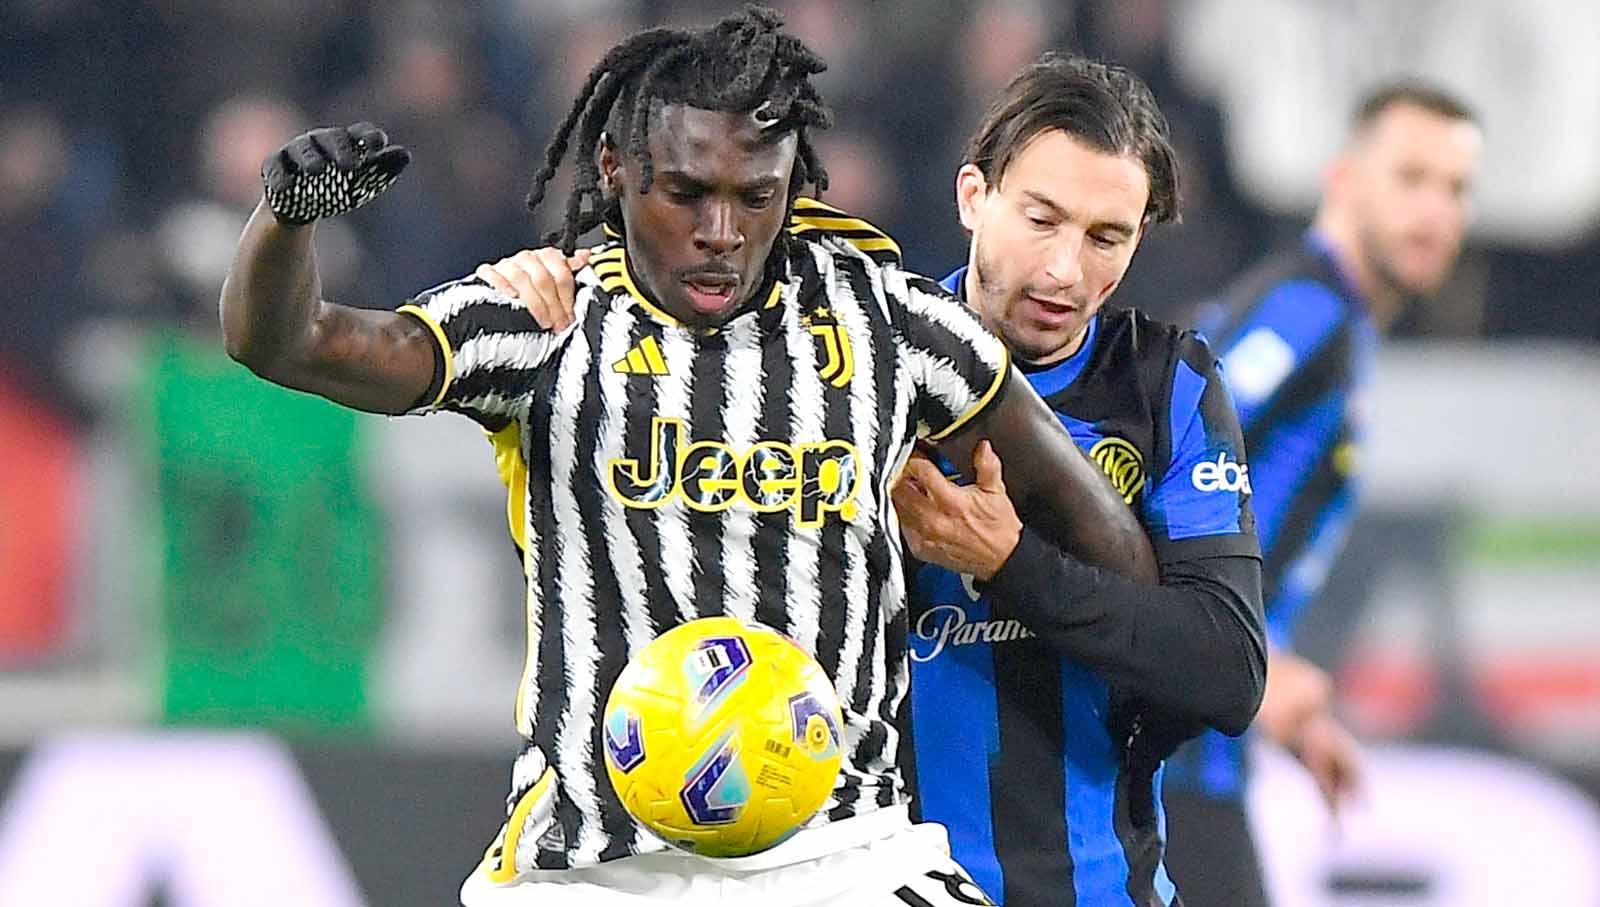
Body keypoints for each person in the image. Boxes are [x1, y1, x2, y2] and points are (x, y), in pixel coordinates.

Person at [219, 9, 1158, 906]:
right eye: (688, 193)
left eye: (757, 196)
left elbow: (1106, 540)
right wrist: (285, 222)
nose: (722, 231)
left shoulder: (892, 325)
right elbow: (292, 342)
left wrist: (1026, 574)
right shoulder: (550, 317)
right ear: (616, 168)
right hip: (594, 864)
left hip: (842, 858)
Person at [489, 51, 1268, 907]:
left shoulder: (1165, 385)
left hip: (1098, 888)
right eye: (1041, 220)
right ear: (974, 195)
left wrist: (1009, 563)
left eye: (1104, 237)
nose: (1063, 270)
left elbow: (1224, 674)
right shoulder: (848, 360)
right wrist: (555, 280)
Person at [1160, 81, 1483, 906]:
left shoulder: (1335, 324)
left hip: (1201, 743)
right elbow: (1158, 458)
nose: (1435, 210)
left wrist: (1277, 686)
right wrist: (1255, 672)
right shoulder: (1306, 312)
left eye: (1455, 188)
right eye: (1410, 177)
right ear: (1343, 179)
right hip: (1168, 752)